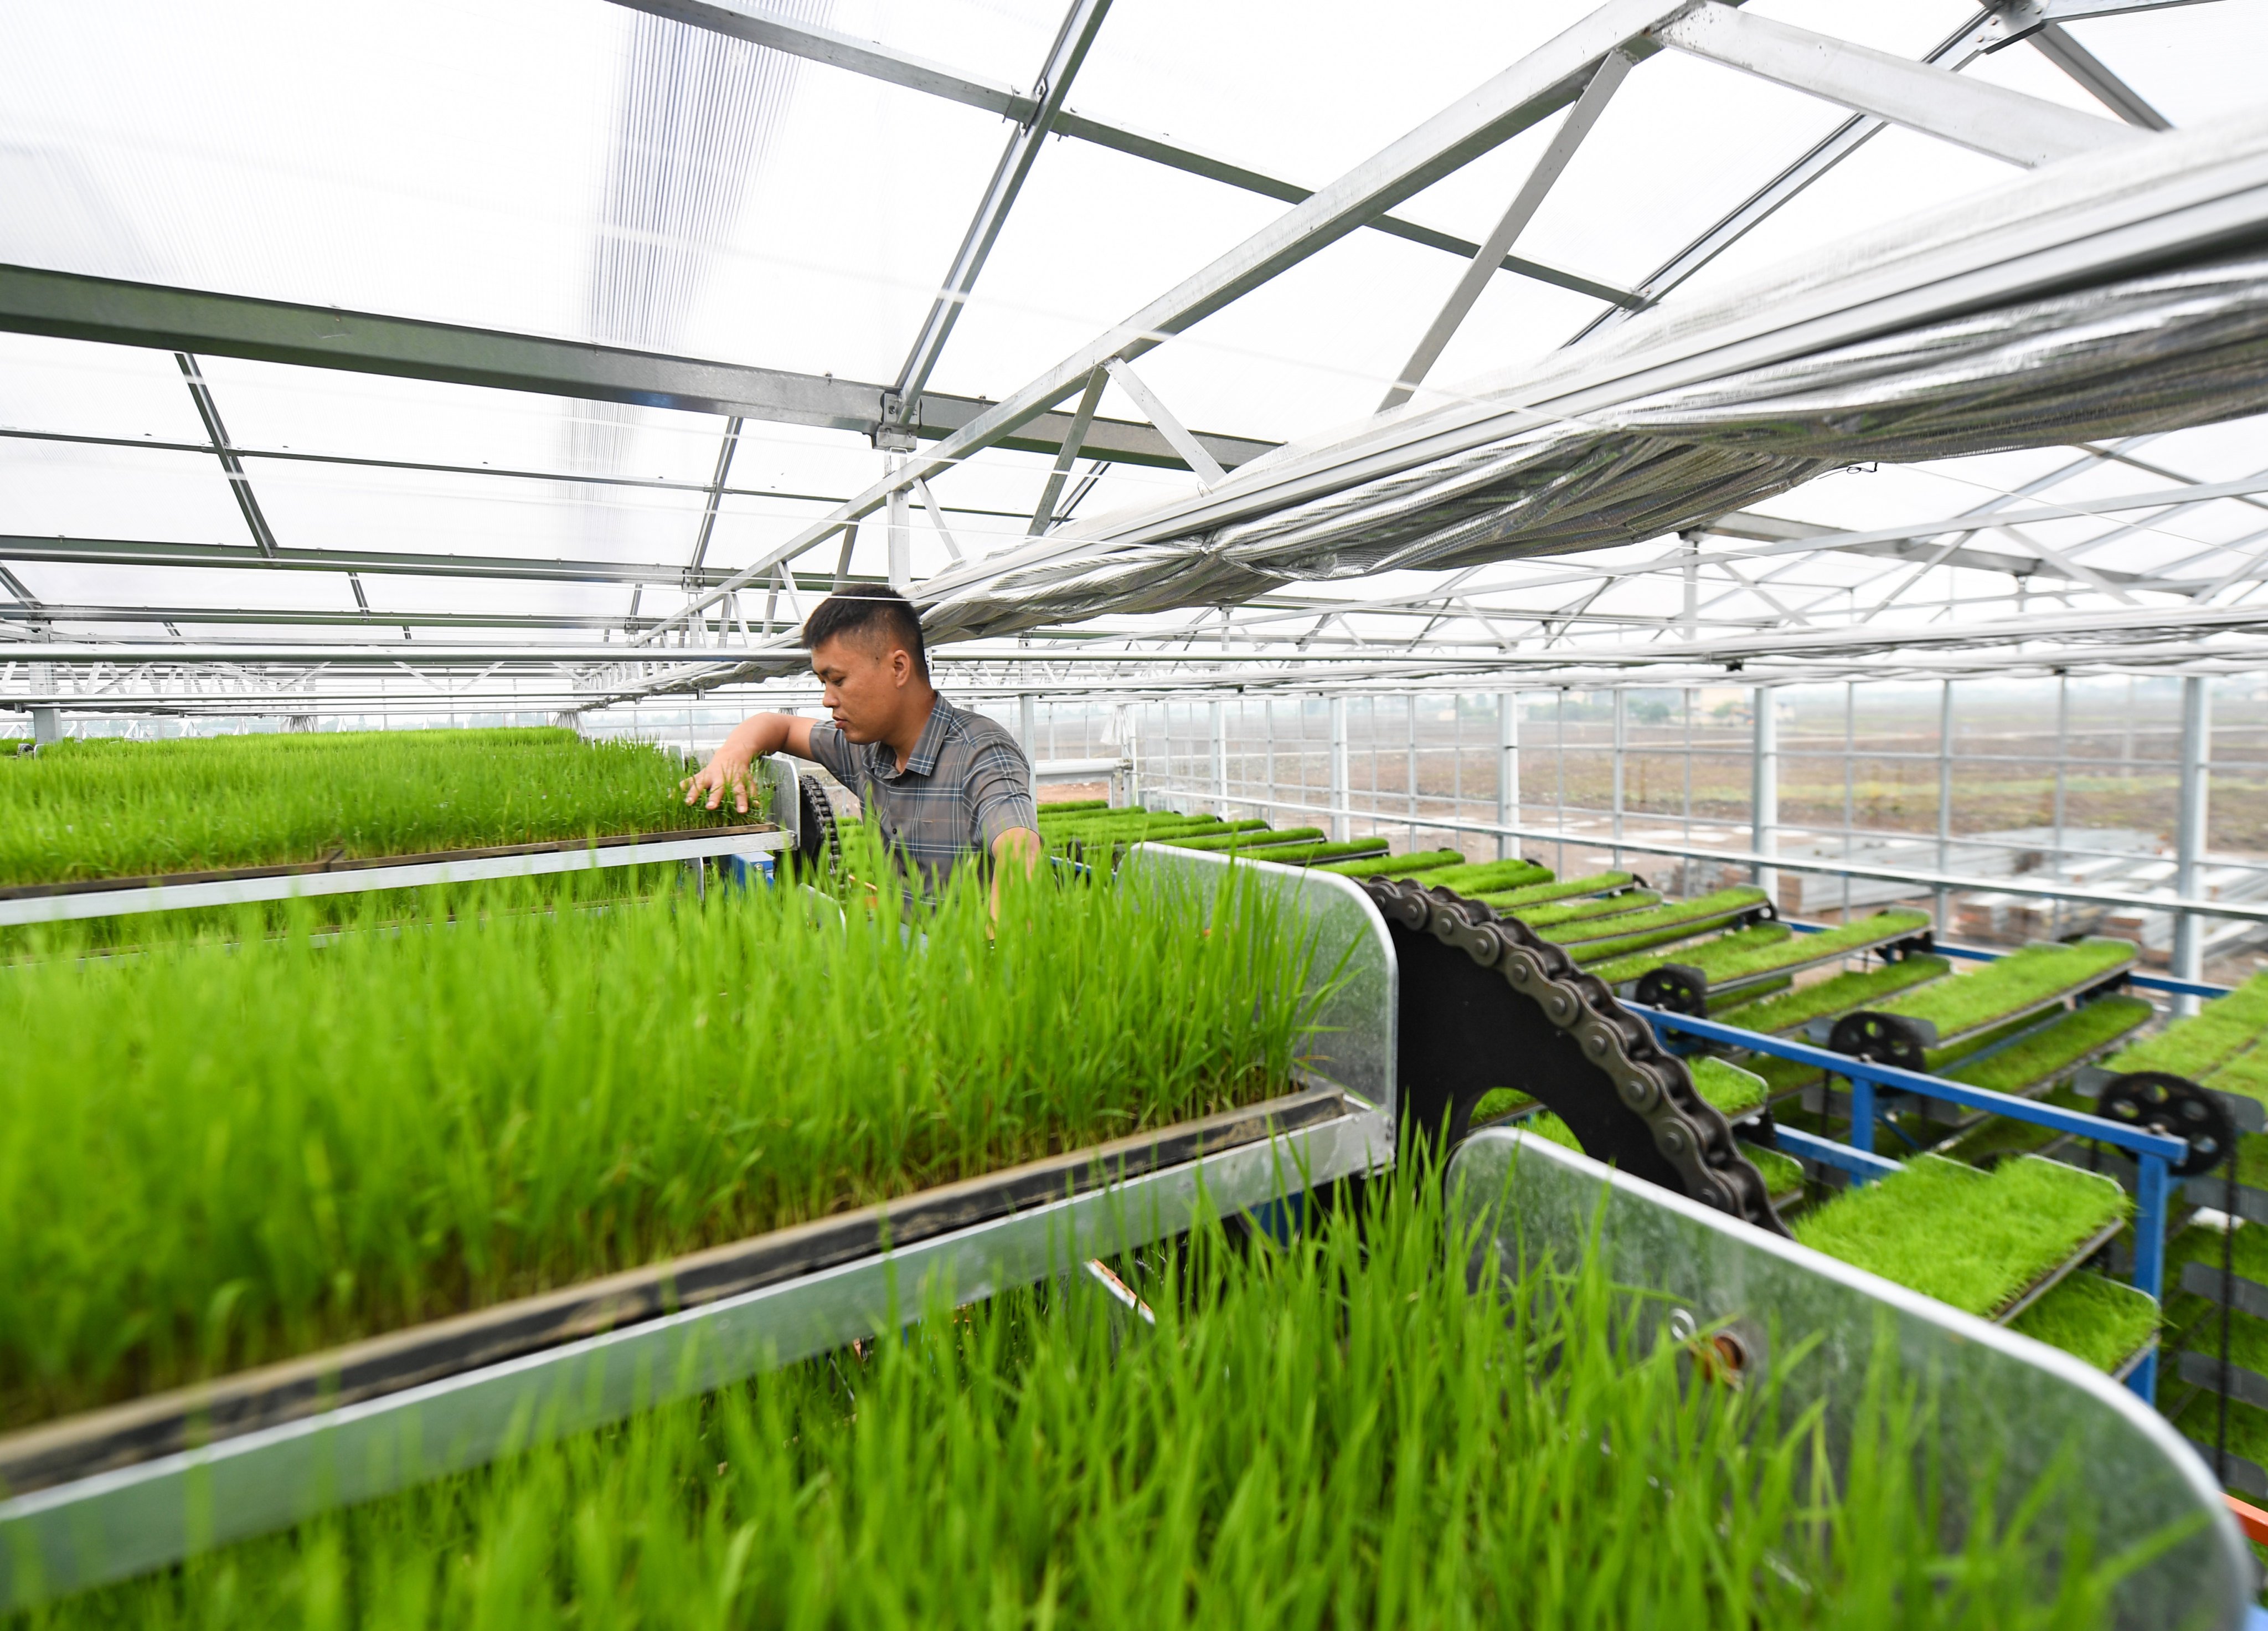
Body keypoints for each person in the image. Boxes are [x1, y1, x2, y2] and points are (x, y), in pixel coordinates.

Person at [681, 586, 1042, 895]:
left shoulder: (982, 751)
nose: (827, 699)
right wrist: (732, 756)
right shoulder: (863, 749)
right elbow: (778, 726)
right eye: (823, 683)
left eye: (837, 680)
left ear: (898, 668)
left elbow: (1019, 852)